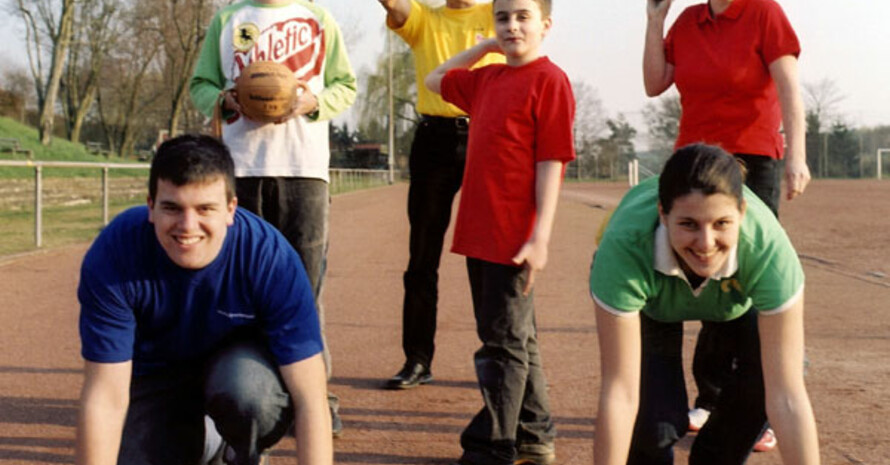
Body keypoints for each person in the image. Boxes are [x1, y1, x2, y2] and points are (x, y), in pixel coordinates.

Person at [76, 134, 332, 465]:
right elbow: (105, 396)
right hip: (156, 375)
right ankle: (203, 442)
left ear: (230, 209)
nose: (187, 226)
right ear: (150, 206)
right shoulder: (115, 253)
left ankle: (236, 447)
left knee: (251, 396)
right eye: (172, 207)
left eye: (205, 209)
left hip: (237, 374)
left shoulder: (270, 258)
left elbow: (310, 398)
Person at [642, 0, 811, 450]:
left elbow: (790, 87)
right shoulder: (688, 20)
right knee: (696, 270)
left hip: (752, 161)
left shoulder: (764, 13)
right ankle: (711, 396)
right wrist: (655, 21)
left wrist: (796, 153)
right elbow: (654, 83)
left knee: (741, 278)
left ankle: (765, 399)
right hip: (694, 164)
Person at [590, 144, 820, 465]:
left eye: (721, 224)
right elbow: (621, 394)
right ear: (663, 214)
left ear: (742, 213)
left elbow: (788, 397)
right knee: (654, 422)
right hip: (653, 304)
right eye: (688, 224)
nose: (706, 244)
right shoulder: (624, 249)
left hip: (735, 303)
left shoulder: (769, 250)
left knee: (767, 381)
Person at [190, 0, 357, 434]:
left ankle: (317, 397)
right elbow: (200, 85)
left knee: (305, 286)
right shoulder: (228, 20)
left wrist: (313, 102)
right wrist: (225, 99)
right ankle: (229, 396)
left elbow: (346, 86)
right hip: (239, 170)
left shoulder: (319, 19)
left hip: (304, 172)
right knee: (233, 287)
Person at [425, 0, 574, 463]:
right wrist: (484, 48)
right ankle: (534, 432)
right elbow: (434, 81)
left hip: (514, 235)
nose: (512, 26)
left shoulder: (550, 81)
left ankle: (497, 445)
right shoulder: (486, 79)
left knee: (502, 344)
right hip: (478, 229)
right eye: (503, 18)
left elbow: (552, 161)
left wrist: (540, 237)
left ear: (545, 26)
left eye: (523, 17)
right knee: (515, 337)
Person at [377, 0, 505, 390]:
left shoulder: (497, 13)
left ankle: (501, 360)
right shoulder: (423, 19)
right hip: (433, 139)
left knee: (489, 255)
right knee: (422, 255)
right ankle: (417, 359)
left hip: (487, 134)